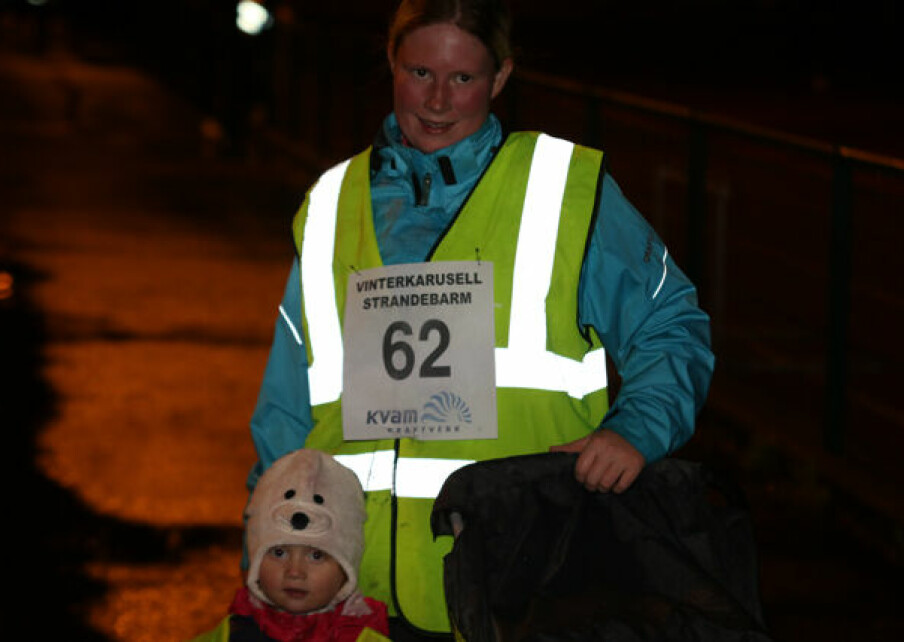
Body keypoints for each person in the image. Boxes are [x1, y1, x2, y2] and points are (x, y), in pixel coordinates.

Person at [245, 0, 715, 638]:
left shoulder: (560, 191)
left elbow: (670, 323)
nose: (438, 100)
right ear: (391, 63)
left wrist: (637, 428)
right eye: (420, 72)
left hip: (515, 586)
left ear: (501, 78)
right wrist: (267, 547)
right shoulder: (331, 203)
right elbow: (286, 404)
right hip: (355, 596)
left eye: (463, 77)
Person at [194, 449, 389, 641]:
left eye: (316, 555)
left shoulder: (360, 637)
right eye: (279, 552)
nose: (295, 572)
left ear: (346, 568)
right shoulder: (231, 636)